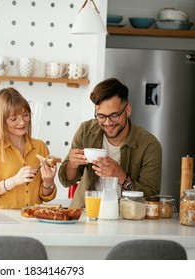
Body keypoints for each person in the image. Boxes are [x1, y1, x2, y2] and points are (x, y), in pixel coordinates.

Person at [58, 78, 162, 209]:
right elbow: (66, 180)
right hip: (86, 213)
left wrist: (122, 177)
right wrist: (72, 165)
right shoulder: (86, 131)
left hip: (127, 219)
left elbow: (151, 196)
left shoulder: (149, 145)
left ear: (128, 109)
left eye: (114, 115)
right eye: (101, 116)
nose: (107, 123)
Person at [0, 87, 57, 209]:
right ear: (1, 120)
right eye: (14, 119)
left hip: (32, 222)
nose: (22, 122)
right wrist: (14, 181)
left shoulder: (40, 148)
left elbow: (45, 197)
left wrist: (48, 182)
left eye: (25, 115)